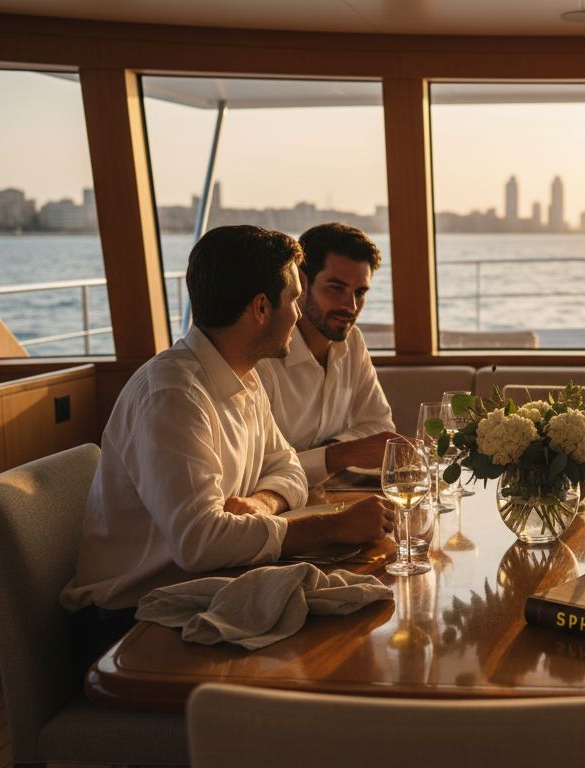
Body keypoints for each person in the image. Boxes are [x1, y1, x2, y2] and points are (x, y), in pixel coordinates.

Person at [61, 225, 396, 663]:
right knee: (332, 663)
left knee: (354, 627)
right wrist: (331, 526)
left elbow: (290, 469)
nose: (298, 315)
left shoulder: (244, 375)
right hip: (130, 619)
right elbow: (202, 543)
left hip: (208, 586)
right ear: (261, 308)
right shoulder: (173, 395)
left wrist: (261, 504)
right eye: (294, 299)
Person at [257, 223, 401, 487]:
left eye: (360, 292)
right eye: (336, 288)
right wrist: (341, 455)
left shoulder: (353, 341)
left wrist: (332, 451)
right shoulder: (262, 357)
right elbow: (259, 469)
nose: (351, 306)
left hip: (334, 496)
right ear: (300, 282)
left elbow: (380, 425)